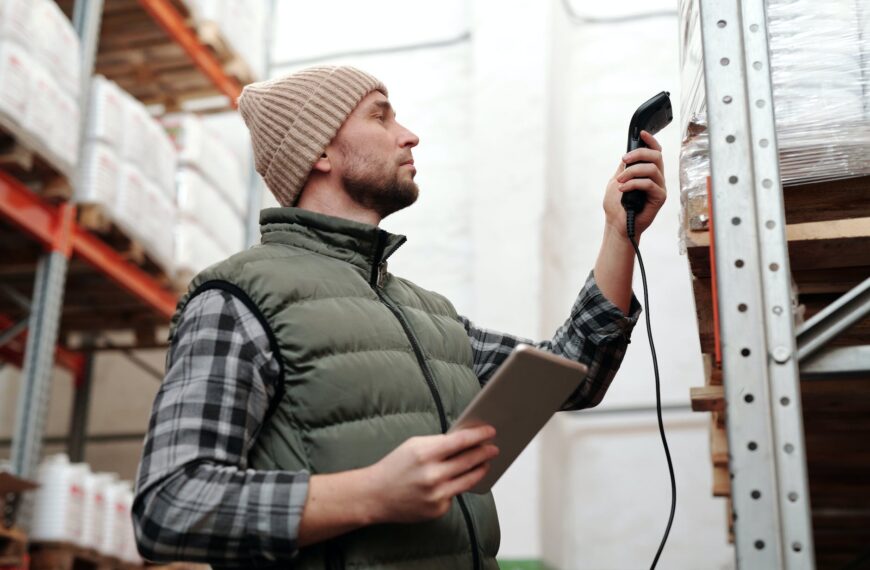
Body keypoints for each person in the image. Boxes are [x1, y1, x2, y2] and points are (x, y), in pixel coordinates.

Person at [132, 65, 667, 570]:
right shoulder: (236, 299)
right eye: (380, 116)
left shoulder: (428, 314)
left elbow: (575, 373)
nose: (409, 135)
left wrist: (619, 233)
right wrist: (372, 493)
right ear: (319, 151)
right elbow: (170, 505)